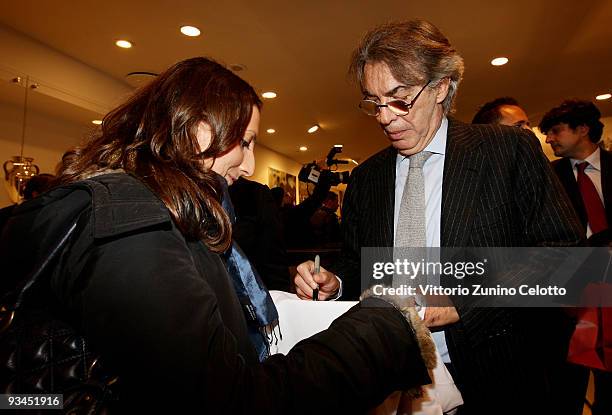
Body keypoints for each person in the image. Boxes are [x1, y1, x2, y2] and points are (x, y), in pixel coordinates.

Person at [0, 57, 433, 413]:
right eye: (245, 142)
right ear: (198, 127)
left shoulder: (173, 214)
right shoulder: (131, 227)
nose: (248, 166)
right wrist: (382, 329)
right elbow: (233, 400)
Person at [295, 19, 583, 413]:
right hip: (392, 379)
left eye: (399, 98)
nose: (384, 116)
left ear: (441, 86)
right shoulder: (366, 178)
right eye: (373, 102)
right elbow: (359, 263)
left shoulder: (507, 152)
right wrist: (336, 281)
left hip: (496, 375)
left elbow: (563, 254)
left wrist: (468, 296)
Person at [539, 99, 611, 415]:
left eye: (555, 131)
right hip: (571, 296)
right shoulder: (546, 179)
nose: (549, 139)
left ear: (582, 129)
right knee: (568, 382)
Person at [229, 177, 291, 291]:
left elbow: (273, 255)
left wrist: (280, 295)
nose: (248, 169)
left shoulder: (252, 193)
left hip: (253, 292)